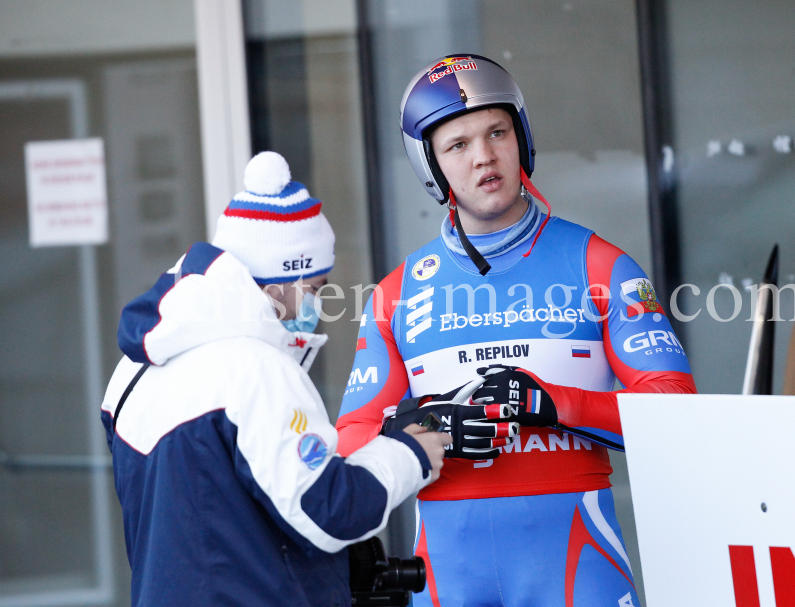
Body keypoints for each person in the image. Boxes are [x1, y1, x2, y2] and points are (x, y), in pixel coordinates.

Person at [336, 55, 697, 606]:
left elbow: (678, 413)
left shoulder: (600, 266)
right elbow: (350, 444)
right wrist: (426, 427)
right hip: (446, 577)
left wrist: (555, 403)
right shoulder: (397, 293)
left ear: (521, 138)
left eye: (497, 132)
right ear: (430, 165)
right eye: (457, 145)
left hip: (576, 567)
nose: (484, 156)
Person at [101, 151, 452, 607]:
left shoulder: (132, 371)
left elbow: (219, 516)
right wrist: (408, 454)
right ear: (276, 283)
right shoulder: (256, 370)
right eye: (316, 287)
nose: (319, 305)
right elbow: (327, 511)